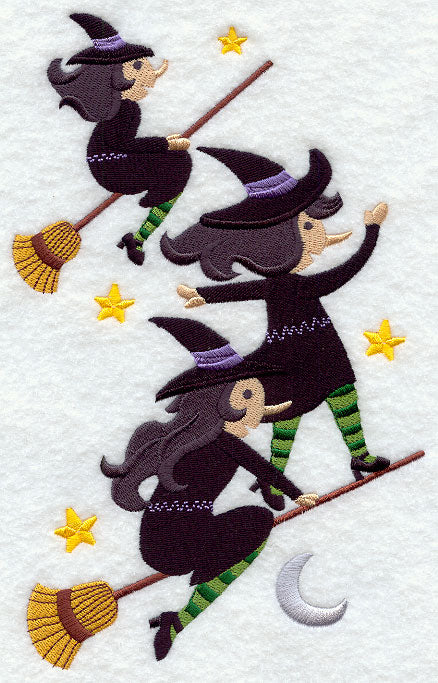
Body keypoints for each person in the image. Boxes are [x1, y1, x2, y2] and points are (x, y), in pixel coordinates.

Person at [161, 147, 390, 508]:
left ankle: (299, 472)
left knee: (303, 407)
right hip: (307, 353)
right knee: (318, 402)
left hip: (302, 352)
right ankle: (321, 466)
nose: (320, 235)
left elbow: (250, 289)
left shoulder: (284, 284)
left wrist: (204, 296)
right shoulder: (296, 285)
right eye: (309, 226)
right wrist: (372, 231)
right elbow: (345, 271)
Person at [101, 317, 318, 659]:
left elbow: (261, 469)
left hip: (159, 542)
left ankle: (178, 621)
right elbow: (262, 467)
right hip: (182, 542)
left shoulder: (190, 440)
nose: (258, 410)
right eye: (251, 396)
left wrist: (291, 492)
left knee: (250, 526)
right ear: (226, 400)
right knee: (258, 523)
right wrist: (297, 495)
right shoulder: (222, 441)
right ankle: (185, 612)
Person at [47, 13, 192, 264]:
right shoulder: (124, 109)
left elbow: (125, 145)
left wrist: (164, 145)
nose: (149, 74)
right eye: (137, 67)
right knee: (178, 163)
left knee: (177, 163)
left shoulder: (121, 108)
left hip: (110, 164)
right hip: (113, 167)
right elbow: (124, 145)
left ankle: (137, 238)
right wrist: (165, 144)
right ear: (116, 75)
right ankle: (149, 215)